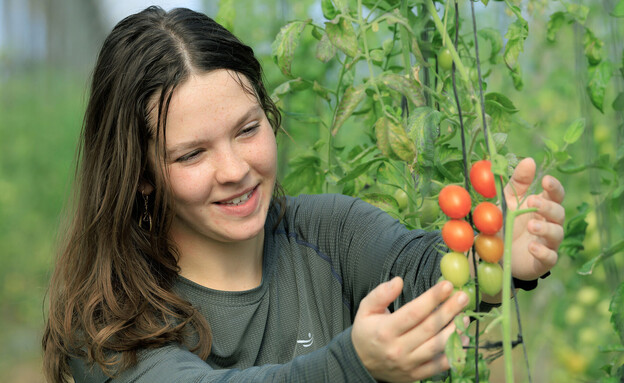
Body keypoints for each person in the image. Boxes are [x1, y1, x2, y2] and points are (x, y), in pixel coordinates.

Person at [42, 6, 565, 383]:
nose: (235, 170)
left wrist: (494, 255)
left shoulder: (326, 232)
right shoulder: (111, 322)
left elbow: (421, 266)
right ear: (141, 174)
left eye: (247, 130)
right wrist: (353, 365)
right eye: (191, 155)